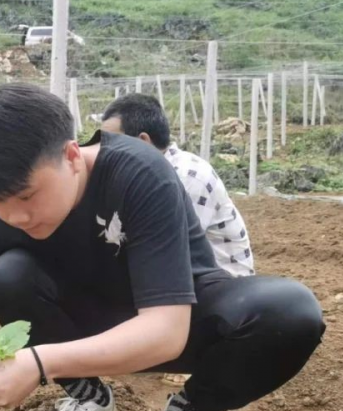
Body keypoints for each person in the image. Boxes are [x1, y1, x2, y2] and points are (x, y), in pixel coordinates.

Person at [0, 83, 325, 411]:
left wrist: (38, 363)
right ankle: (89, 400)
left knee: (289, 313)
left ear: (71, 155)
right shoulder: (1, 220)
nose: (17, 216)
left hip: (180, 319)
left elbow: (166, 330)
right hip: (88, 325)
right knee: (7, 276)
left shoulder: (138, 173)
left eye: (28, 195)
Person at [101, 93, 256, 387]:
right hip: (186, 279)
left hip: (220, 288)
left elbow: (177, 256)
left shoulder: (185, 176)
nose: (103, 151)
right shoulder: (143, 174)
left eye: (111, 142)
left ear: (142, 141)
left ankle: (186, 352)